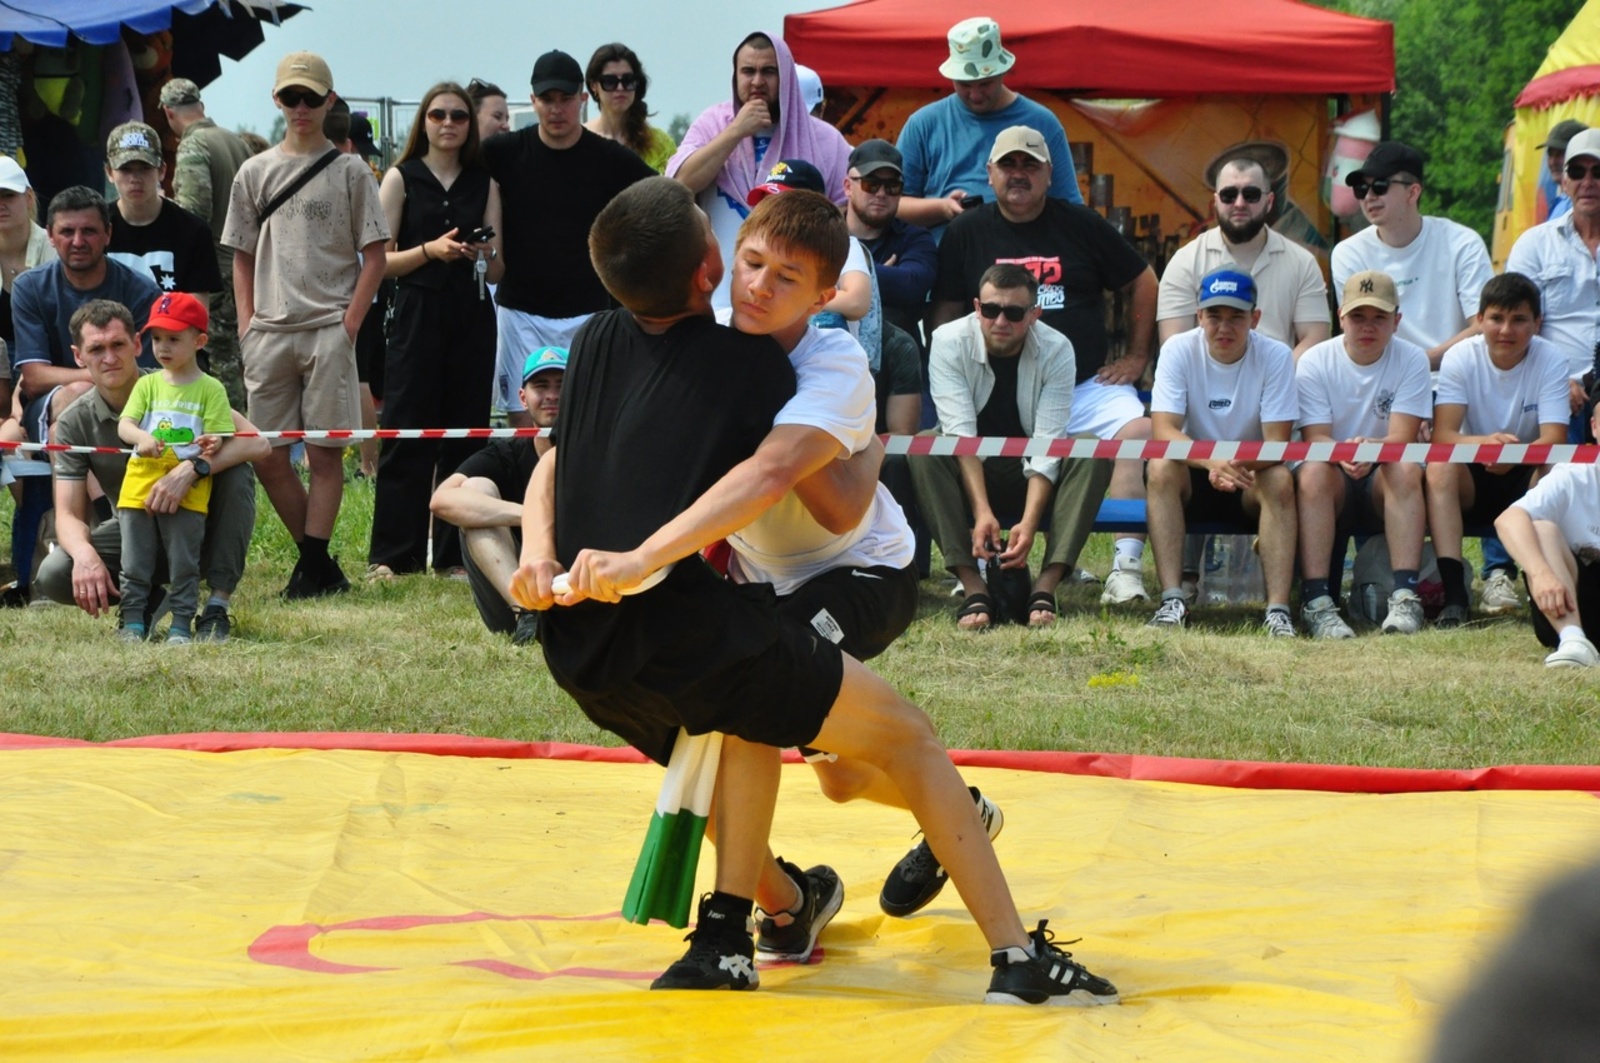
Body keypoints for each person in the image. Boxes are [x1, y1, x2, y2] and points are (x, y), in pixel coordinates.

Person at [510, 176, 1117, 1005]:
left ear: (827, 296)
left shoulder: (828, 361)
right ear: (717, 264)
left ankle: (754, 921)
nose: (759, 285)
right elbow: (565, 458)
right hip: (762, 585)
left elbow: (830, 498)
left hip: (860, 575)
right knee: (829, 768)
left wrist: (643, 556)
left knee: (758, 719)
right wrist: (547, 549)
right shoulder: (717, 343)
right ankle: (942, 824)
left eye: (785, 279)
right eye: (751, 263)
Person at [931, 125, 1157, 602]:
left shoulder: (1081, 223)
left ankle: (1126, 566)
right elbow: (948, 308)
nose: (1018, 174)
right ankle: (976, 561)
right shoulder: (966, 230)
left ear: (1050, 174)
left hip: (1078, 385)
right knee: (943, 444)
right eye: (1008, 165)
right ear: (989, 174)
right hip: (993, 388)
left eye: (1029, 165)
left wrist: (1137, 356)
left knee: (1137, 432)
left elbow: (1143, 280)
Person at [221, 51, 390, 599]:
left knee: (324, 454)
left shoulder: (351, 172)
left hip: (327, 330)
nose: (301, 107)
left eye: (311, 98)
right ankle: (317, 564)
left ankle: (313, 567)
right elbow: (240, 255)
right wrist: (248, 325)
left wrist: (349, 326)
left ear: (329, 101)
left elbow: (376, 257)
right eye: (291, 97)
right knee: (266, 453)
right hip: (268, 332)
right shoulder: (253, 171)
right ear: (277, 100)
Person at [36, 299, 268, 641]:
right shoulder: (74, 421)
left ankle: (217, 606)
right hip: (134, 528)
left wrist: (193, 468)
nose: (110, 358)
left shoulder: (182, 384)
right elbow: (68, 514)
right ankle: (144, 601)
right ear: (78, 356)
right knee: (55, 573)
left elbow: (258, 443)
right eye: (96, 349)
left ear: (137, 345)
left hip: (195, 519)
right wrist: (86, 558)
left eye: (118, 345)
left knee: (234, 469)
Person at [366, 81, 502, 580]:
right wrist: (430, 251)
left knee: (465, 434)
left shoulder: (485, 183)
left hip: (471, 311)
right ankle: (393, 555)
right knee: (405, 431)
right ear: (423, 120)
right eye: (439, 114)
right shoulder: (401, 178)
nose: (448, 124)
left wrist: (483, 253)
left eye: (459, 116)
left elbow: (500, 267)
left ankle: (452, 557)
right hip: (416, 312)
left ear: (470, 125)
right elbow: (377, 263)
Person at [482, 49, 654, 429]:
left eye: (564, 99)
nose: (556, 109)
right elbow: (441, 171)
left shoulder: (611, 158)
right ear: (532, 101)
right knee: (524, 428)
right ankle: (528, 491)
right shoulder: (501, 152)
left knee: (589, 424)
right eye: (547, 99)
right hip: (519, 312)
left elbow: (665, 198)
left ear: (582, 98)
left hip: (590, 314)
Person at [914, 262, 1091, 629]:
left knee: (1089, 449)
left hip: (1032, 474)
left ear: (1034, 315)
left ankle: (1045, 586)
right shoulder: (948, 340)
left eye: (1013, 312)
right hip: (970, 474)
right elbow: (961, 435)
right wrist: (981, 512)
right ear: (977, 307)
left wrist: (1028, 522)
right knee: (926, 445)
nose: (1000, 321)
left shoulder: (1058, 348)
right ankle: (972, 586)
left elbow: (1048, 443)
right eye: (991, 310)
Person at [1145, 268, 1299, 635]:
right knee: (1160, 467)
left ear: (1255, 318)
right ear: (1199, 316)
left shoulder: (1276, 356)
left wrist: (1230, 466)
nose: (1224, 327)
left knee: (1279, 478)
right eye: (1214, 316)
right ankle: (1172, 599)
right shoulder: (1178, 349)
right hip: (1194, 473)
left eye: (1236, 317)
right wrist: (1212, 461)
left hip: (1251, 476)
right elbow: (1163, 430)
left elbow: (1277, 442)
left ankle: (1278, 610)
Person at [665, 30, 851, 308]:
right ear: (735, 75)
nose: (757, 81)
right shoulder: (713, 123)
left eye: (768, 71)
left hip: (790, 301)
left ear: (786, 75)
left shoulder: (825, 139)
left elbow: (844, 214)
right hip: (715, 299)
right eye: (748, 71)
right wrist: (735, 131)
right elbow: (679, 184)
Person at [1425, 273, 1569, 627]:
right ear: (1479, 321)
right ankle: (1455, 594)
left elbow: (1553, 440)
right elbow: (1443, 436)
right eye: (1496, 318)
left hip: (1527, 466)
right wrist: (1484, 445)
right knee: (1439, 467)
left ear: (1537, 323)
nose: (1506, 330)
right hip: (1473, 469)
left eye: (1519, 319)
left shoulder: (1551, 359)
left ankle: (1541, 582)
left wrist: (1511, 455)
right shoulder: (1460, 356)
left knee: (1556, 472)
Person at [1294, 271, 1431, 638]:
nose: (1367, 327)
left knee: (1403, 466)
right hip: (1333, 475)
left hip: (1381, 478)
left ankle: (1405, 596)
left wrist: (1372, 450)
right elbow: (1314, 435)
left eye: (1379, 318)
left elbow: (1401, 438)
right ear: (1341, 317)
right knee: (1312, 472)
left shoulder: (1412, 359)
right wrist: (1345, 452)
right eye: (1358, 317)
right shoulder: (1314, 360)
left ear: (1397, 321)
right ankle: (1317, 601)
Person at [113, 292, 234, 644]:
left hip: (188, 489)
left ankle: (181, 623)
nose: (162, 347)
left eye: (174, 339)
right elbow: (125, 425)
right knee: (134, 561)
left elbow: (219, 435)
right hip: (137, 483)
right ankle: (132, 621)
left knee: (185, 561)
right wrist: (141, 437)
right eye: (156, 338)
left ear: (199, 342)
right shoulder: (147, 384)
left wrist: (213, 443)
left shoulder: (211, 389)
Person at [895, 17, 1082, 234]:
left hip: (1025, 256)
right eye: (964, 85)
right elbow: (893, 204)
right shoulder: (923, 124)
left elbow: (1070, 208)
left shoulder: (1043, 123)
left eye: (985, 84)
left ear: (1002, 72)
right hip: (945, 258)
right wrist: (942, 208)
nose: (975, 95)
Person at [429, 346, 563, 645]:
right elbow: (441, 500)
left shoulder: (599, 450)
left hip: (582, 591)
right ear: (522, 398)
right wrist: (530, 514)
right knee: (475, 489)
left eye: (562, 385)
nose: (552, 395)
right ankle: (529, 613)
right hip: (514, 602)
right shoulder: (506, 453)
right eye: (541, 386)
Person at [12, 186, 158, 442]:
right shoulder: (29, 288)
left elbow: (148, 375)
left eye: (88, 231)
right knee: (78, 393)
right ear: (50, 235)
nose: (78, 242)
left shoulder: (142, 291)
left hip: (129, 403)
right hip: (54, 402)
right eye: (67, 231)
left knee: (62, 431)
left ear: (108, 234)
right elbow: (34, 378)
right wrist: (106, 374)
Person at [1331, 141, 1492, 372]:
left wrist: (1421, 363)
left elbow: (1483, 325)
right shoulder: (1348, 253)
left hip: (1454, 378)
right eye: (1361, 188)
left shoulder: (1462, 243)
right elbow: (1355, 332)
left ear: (1413, 192)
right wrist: (1411, 369)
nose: (1368, 196)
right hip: (1383, 379)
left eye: (1380, 185)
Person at [1156, 157, 1328, 357]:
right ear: (1215, 202)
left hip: (1278, 383)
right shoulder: (1185, 261)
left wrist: (1274, 380)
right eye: (1228, 195)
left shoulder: (1302, 263)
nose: (1239, 203)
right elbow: (1174, 348)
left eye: (1251, 195)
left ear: (1270, 201)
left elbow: (1315, 342)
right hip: (1206, 386)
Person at [160, 76, 253, 410]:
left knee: (219, 360)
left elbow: (193, 214)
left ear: (169, 113)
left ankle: (230, 434)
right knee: (240, 360)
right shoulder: (236, 141)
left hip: (212, 272)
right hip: (244, 264)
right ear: (200, 105)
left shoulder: (193, 145)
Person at [1494, 384, 1600, 669]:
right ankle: (1573, 639)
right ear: (1594, 427)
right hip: (1577, 604)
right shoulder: (1573, 476)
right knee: (1540, 530)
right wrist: (1540, 574)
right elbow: (1508, 519)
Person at [104, 122, 224, 308]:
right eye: (125, 169)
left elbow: (198, 313)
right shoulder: (95, 227)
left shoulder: (193, 230)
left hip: (170, 335)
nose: (135, 178)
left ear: (162, 171)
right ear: (110, 172)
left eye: (145, 168)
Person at [842, 139, 937, 352]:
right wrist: (882, 273)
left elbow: (911, 286)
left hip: (898, 367)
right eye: (871, 183)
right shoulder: (824, 233)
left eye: (892, 186)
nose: (882, 193)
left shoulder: (916, 238)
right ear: (848, 186)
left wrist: (838, 273)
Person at [0, 155, 57, 420]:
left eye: (8, 195)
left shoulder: (55, 248)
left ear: (29, 198)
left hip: (46, 361)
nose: (1, 204)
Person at [583, 44, 676, 172]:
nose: (620, 88)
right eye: (610, 81)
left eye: (628, 80)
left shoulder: (661, 144)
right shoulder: (579, 141)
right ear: (594, 86)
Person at [1537, 118, 1586, 222]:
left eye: (1560, 154)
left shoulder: (1584, 206)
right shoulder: (1562, 202)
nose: (1553, 162)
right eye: (1550, 154)